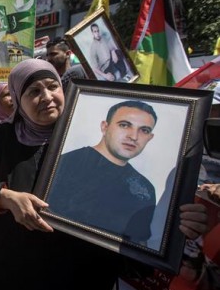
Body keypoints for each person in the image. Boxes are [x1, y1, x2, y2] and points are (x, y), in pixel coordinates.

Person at [0, 59, 208, 290]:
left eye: (53, 86)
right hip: (13, 272)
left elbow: (133, 251)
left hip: (78, 279)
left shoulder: (90, 152)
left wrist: (172, 231)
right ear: (18, 99)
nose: (47, 97)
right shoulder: (4, 138)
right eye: (33, 91)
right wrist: (4, 197)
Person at [47, 100, 158, 244]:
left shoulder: (146, 189)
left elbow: (138, 243)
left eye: (144, 130)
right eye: (124, 125)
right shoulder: (65, 164)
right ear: (105, 127)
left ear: (150, 138)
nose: (134, 136)